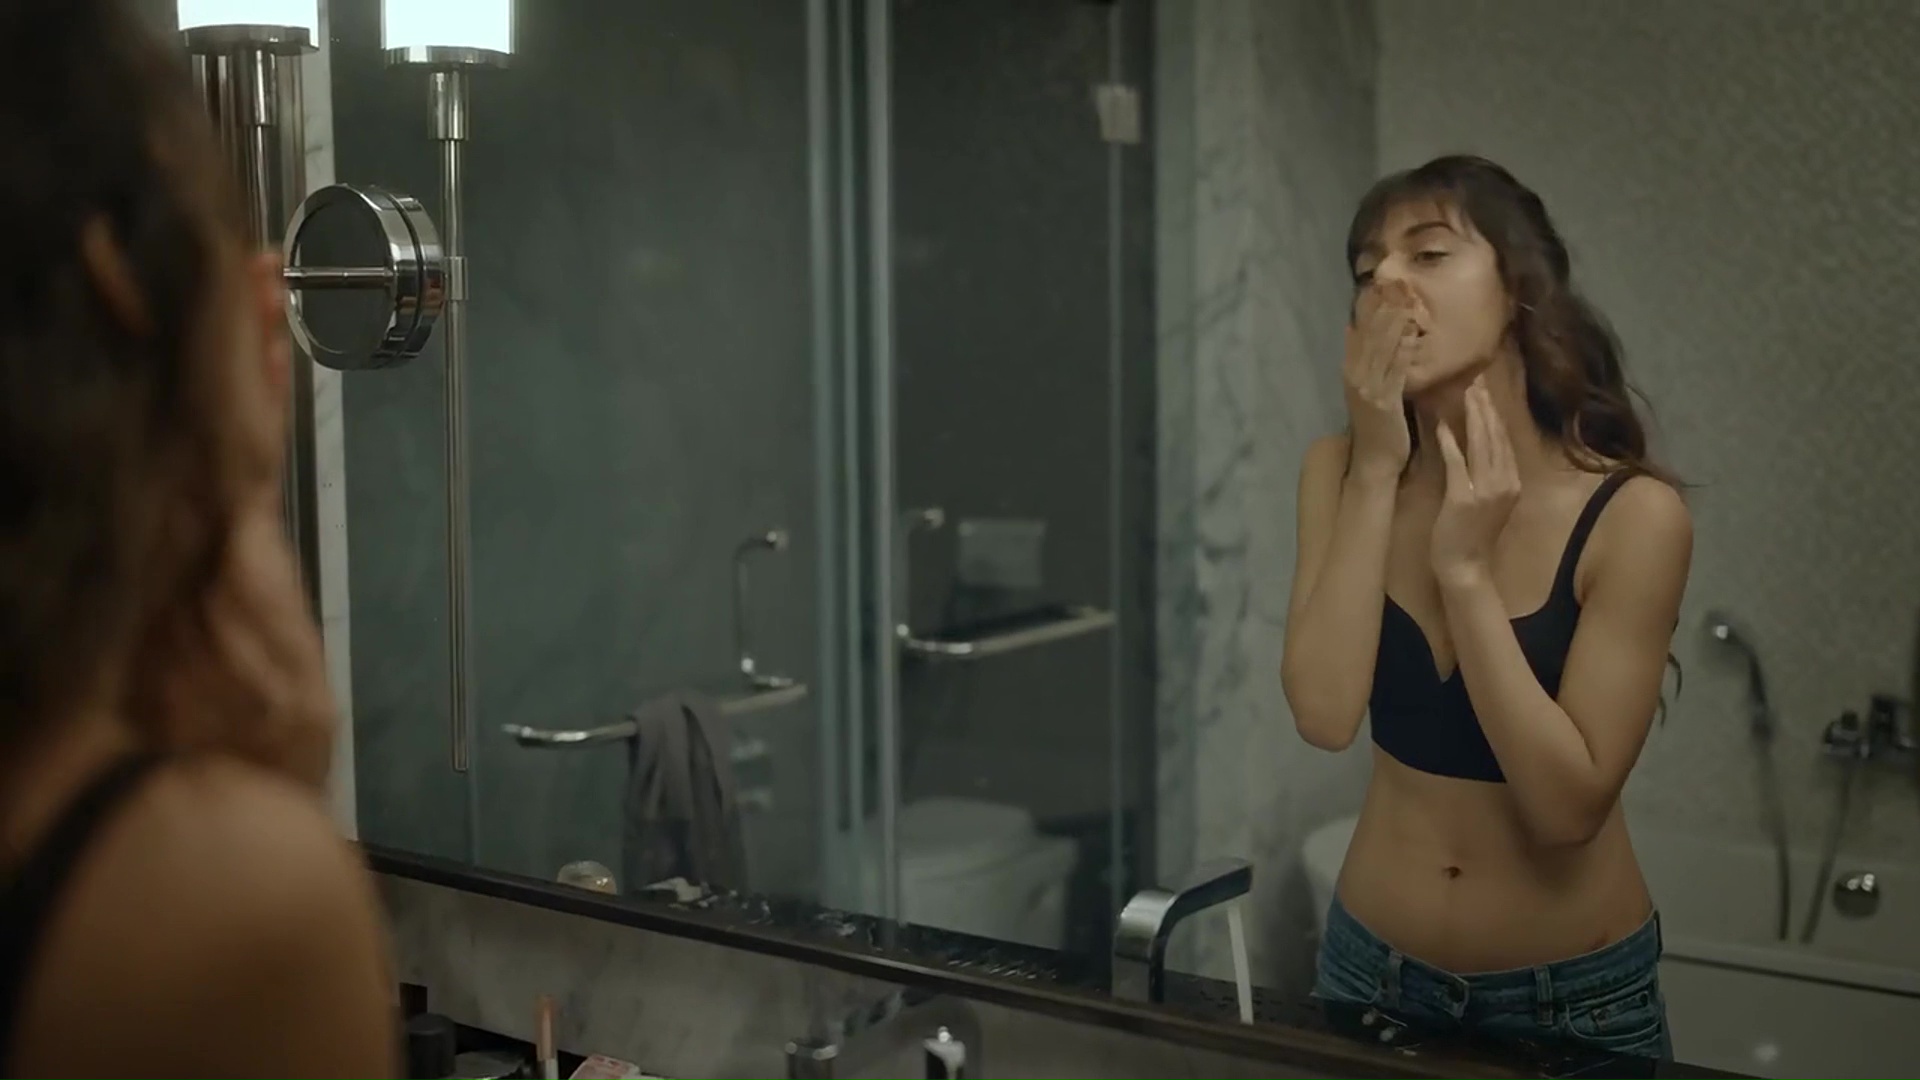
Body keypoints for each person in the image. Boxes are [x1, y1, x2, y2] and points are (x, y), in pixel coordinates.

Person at [0, 2, 398, 1078]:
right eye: (223, 240)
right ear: (117, 285)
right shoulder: (213, 910)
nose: (273, 290)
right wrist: (267, 808)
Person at [1282, 155, 1692, 1060]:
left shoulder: (1632, 516)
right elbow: (1323, 713)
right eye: (1367, 271)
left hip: (1572, 1006)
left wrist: (1465, 577)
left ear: (1518, 291)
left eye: (1428, 254)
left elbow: (1564, 811)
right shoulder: (1337, 471)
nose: (1387, 283)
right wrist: (1378, 469)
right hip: (1368, 971)